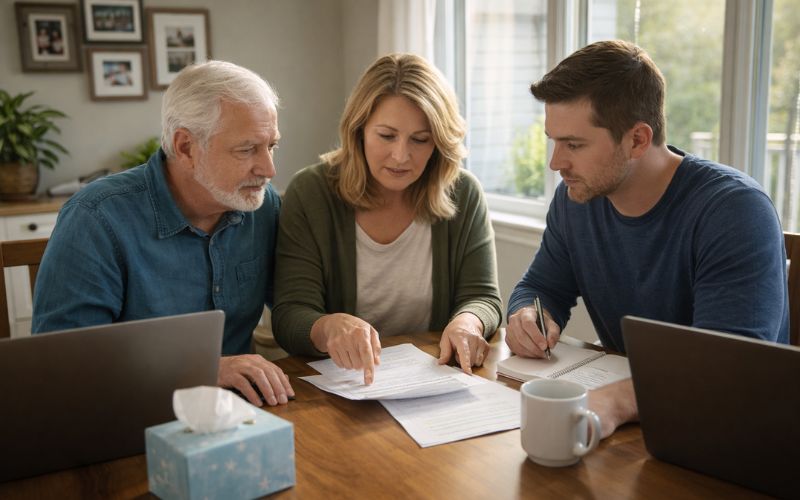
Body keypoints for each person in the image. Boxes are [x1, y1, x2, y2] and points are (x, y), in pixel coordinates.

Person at [506, 40, 788, 438]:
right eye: (553, 140)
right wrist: (529, 315)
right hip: (644, 426)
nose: (556, 163)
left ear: (638, 139)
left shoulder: (735, 212)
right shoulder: (576, 200)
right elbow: (540, 286)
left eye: (574, 145)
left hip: (733, 438)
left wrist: (616, 401)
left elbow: (726, 367)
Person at [32, 60, 294, 407]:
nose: (269, 169)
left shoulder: (262, 206)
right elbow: (62, 362)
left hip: (238, 416)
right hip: (128, 416)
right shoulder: (96, 218)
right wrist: (203, 370)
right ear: (185, 147)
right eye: (247, 149)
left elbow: (293, 305)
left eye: (271, 146)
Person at [272, 53, 502, 385]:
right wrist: (329, 327)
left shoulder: (464, 193)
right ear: (359, 129)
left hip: (433, 381)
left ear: (438, 142)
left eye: (420, 140)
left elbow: (482, 297)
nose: (401, 156)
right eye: (386, 135)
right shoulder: (311, 192)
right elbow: (290, 314)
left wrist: (468, 322)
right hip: (344, 387)